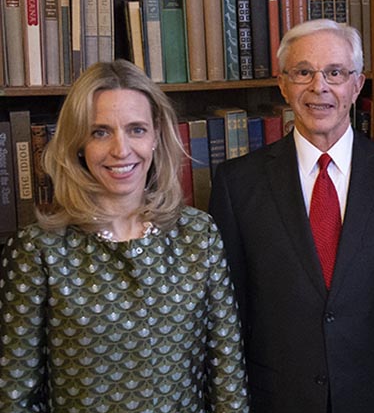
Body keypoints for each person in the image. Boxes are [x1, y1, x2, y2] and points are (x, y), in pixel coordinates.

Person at [209, 18, 374, 412]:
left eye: (335, 73)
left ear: (357, 85)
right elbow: (228, 319)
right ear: (283, 84)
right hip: (277, 399)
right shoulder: (237, 184)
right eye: (303, 72)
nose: (319, 87)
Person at [0, 59, 249, 412]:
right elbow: (14, 397)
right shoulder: (38, 251)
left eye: (136, 129)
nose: (121, 150)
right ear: (78, 143)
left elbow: (228, 385)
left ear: (156, 136)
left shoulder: (198, 235)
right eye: (100, 131)